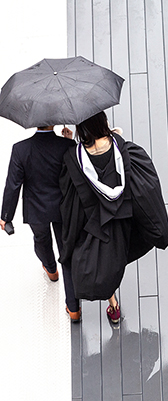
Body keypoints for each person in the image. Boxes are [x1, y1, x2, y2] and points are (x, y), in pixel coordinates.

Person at [59, 111, 168, 324]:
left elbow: (68, 198)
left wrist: (68, 144)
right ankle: (114, 307)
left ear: (81, 130)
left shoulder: (74, 159)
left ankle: (113, 304)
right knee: (117, 256)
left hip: (95, 224)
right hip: (125, 221)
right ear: (103, 123)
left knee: (104, 260)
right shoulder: (125, 150)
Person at [1, 125, 80, 321]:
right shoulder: (66, 146)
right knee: (67, 253)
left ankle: (51, 270)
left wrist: (6, 216)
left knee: (41, 240)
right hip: (63, 209)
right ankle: (73, 308)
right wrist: (71, 142)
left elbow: (13, 185)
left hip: (36, 209)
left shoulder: (21, 149)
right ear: (53, 123)